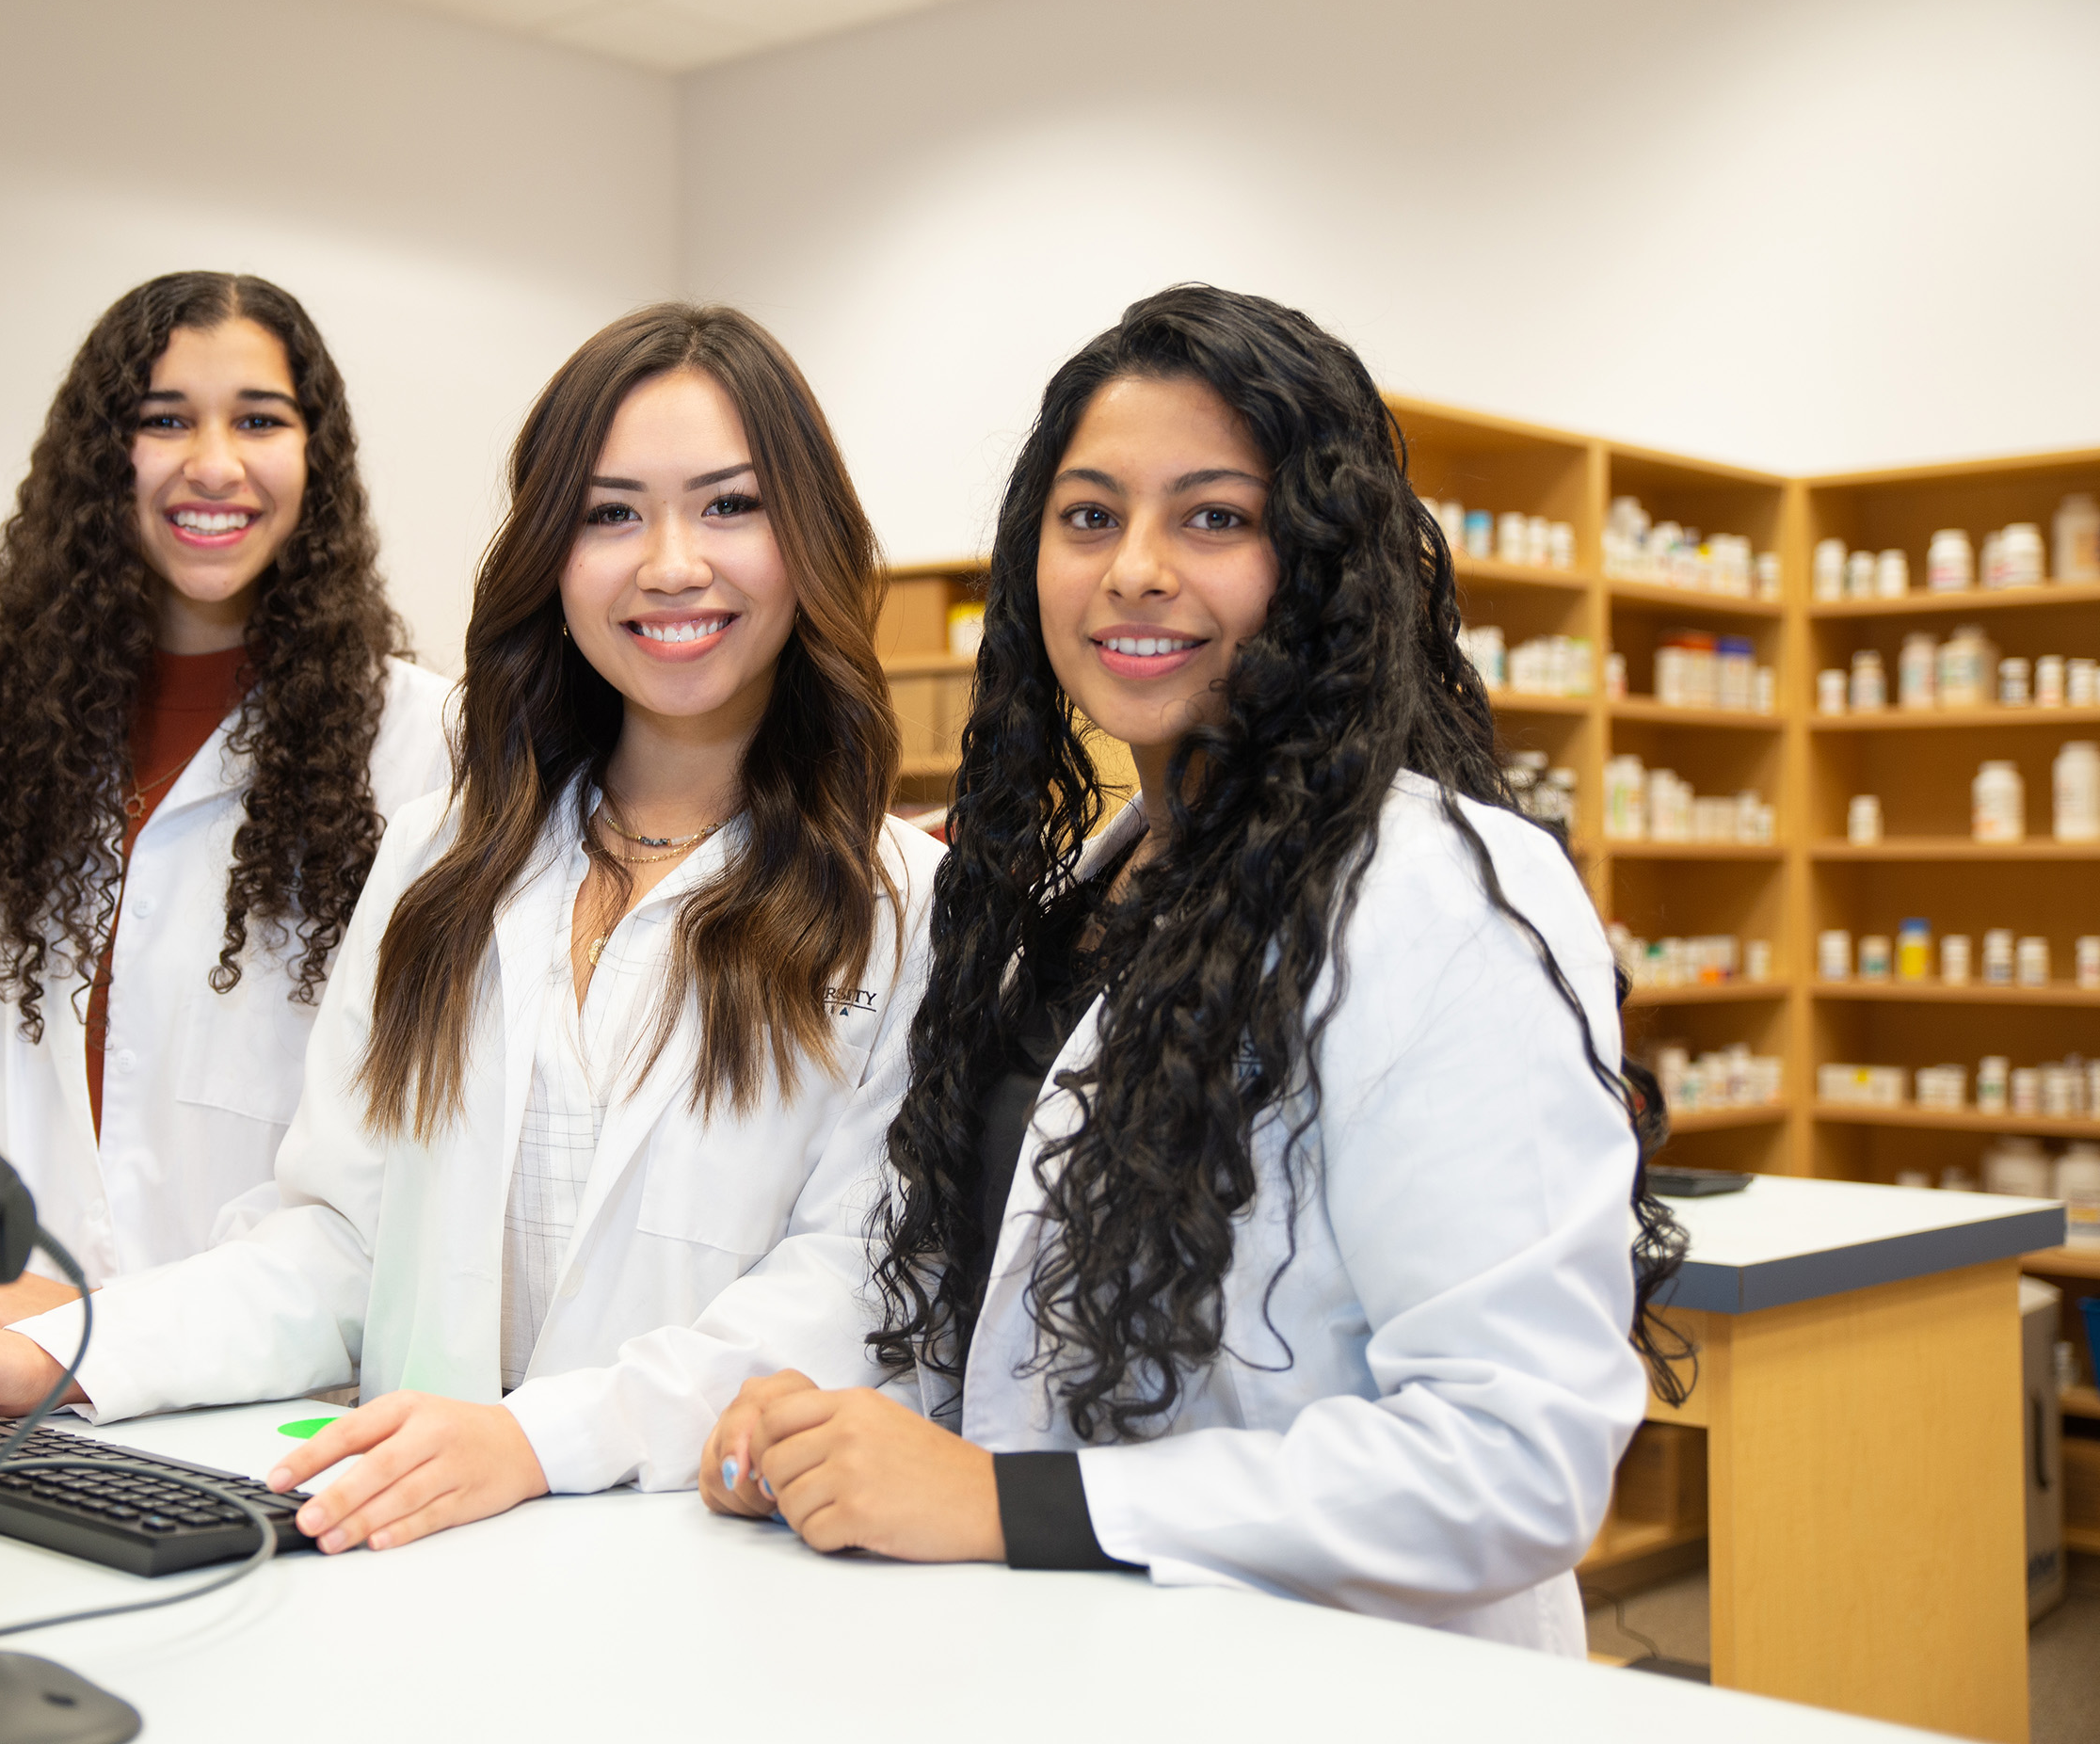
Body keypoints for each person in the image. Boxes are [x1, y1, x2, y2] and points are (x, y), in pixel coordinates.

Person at [697, 285, 1686, 1656]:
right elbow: (1014, 1329)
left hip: (1344, 1683)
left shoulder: (1439, 897)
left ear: (1323, 560)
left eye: (1214, 516)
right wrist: (818, 1414)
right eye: (1090, 516)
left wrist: (1011, 1504)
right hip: (1088, 1660)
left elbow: (1512, 1462)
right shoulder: (1079, 895)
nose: (1135, 569)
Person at [0, 302, 946, 1557]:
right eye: (610, 513)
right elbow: (338, 1243)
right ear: (552, 558)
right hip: (418, 1565)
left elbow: (849, 1292)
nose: (670, 563)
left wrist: (537, 1443)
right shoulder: (445, 858)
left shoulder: (901, 907)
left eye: (729, 505)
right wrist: (67, 1354)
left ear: (811, 538)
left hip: (699, 1570)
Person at [0, 272, 453, 1324]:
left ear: (313, 455)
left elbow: (401, 1164)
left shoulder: (422, 749)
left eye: (258, 420)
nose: (215, 464)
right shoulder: (15, 754)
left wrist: (108, 1328)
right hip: (9, 1383)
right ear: (103, 457)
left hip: (268, 1392)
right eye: (165, 420)